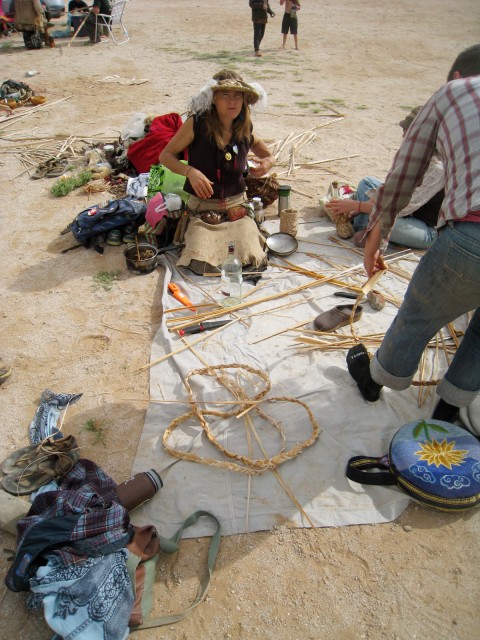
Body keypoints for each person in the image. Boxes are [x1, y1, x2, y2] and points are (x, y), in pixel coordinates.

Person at [346, 44, 480, 426]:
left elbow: (404, 173)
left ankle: (376, 381)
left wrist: (375, 239)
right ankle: (450, 409)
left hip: (471, 240)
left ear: (456, 76)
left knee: (420, 312)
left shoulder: (453, 92)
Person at [159, 69, 275, 275]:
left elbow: (267, 154)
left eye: (237, 95)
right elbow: (166, 156)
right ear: (213, 99)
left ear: (244, 100)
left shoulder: (244, 127)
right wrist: (190, 171)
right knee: (202, 263)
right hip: (203, 211)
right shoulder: (196, 124)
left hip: (237, 210)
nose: (232, 101)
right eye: (225, 95)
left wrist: (268, 162)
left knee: (252, 258)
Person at [326, 107, 444, 250]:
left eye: (408, 132)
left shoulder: (437, 169)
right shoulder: (414, 153)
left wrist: (357, 206)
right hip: (400, 211)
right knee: (367, 183)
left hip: (425, 228)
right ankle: (367, 226)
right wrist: (357, 210)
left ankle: (368, 230)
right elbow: (387, 189)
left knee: (383, 219)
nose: (403, 136)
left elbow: (398, 209)